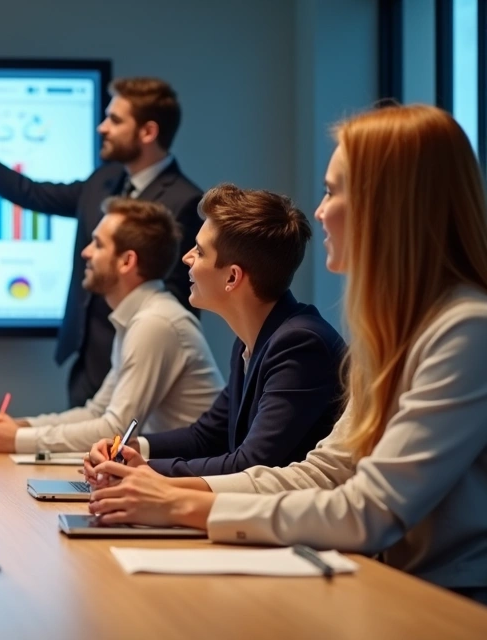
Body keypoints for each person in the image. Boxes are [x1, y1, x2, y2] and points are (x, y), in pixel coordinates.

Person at [87, 104, 487, 605]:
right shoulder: (395, 332)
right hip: (395, 584)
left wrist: (181, 504)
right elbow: (323, 473)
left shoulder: (466, 329)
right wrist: (169, 492)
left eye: (332, 191)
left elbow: (370, 511)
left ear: (388, 205)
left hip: (451, 600)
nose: (319, 212)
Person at [0, 77, 203, 408]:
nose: (102, 128)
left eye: (115, 119)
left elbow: (175, 301)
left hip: (138, 360)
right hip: (86, 361)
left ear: (148, 132)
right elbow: (34, 193)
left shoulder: (183, 201)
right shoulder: (104, 180)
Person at [83, 184, 345, 478]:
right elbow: (206, 436)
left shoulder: (300, 345)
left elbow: (251, 463)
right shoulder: (251, 340)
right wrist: (133, 448)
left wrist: (142, 471)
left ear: (232, 277)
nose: (187, 258)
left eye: (199, 251)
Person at [0, 198, 223, 454]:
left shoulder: (155, 323)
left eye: (98, 244)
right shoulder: (141, 316)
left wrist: (19, 439)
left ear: (126, 261)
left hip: (192, 472)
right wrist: (21, 427)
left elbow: (116, 430)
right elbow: (97, 412)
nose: (86, 252)